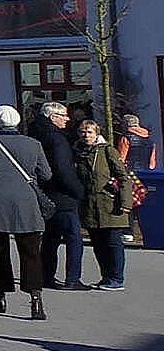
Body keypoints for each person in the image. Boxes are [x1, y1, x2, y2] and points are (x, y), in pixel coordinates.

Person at [0, 104, 53, 320]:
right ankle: (36, 300)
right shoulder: (33, 144)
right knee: (31, 252)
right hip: (27, 203)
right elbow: (46, 175)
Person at [28, 102, 87, 291]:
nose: (67, 119)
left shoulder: (34, 133)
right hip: (63, 195)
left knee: (50, 238)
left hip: (44, 193)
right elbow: (63, 170)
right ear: (53, 117)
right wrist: (78, 191)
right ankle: (72, 278)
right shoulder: (57, 139)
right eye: (63, 115)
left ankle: (46, 275)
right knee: (73, 237)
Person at [80, 114, 133, 291]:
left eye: (89, 132)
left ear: (96, 134)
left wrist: (126, 203)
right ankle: (106, 276)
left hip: (110, 204)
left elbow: (123, 177)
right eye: (82, 132)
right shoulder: (79, 152)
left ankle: (117, 278)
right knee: (97, 243)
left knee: (112, 242)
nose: (85, 135)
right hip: (90, 206)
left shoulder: (107, 150)